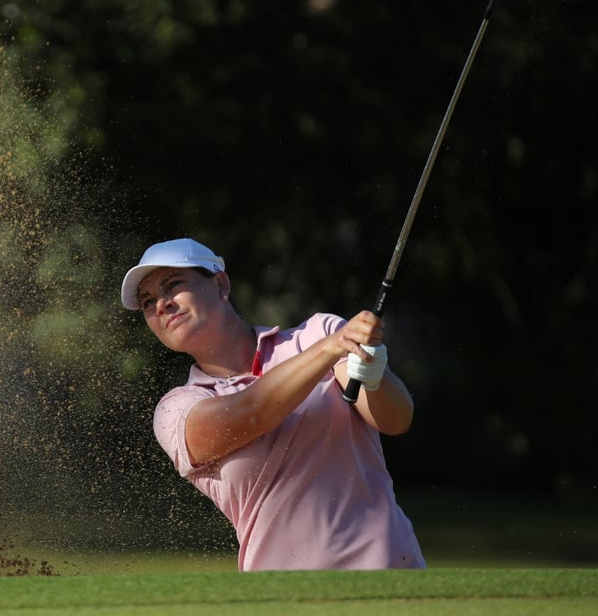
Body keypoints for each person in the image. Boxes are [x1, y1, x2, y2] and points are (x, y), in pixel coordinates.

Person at [121, 237, 426, 570]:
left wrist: (372, 374)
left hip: (388, 572)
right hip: (280, 590)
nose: (161, 304)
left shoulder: (317, 333)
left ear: (221, 285)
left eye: (173, 285)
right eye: (148, 301)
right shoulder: (176, 409)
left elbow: (396, 420)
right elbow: (252, 413)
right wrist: (330, 349)